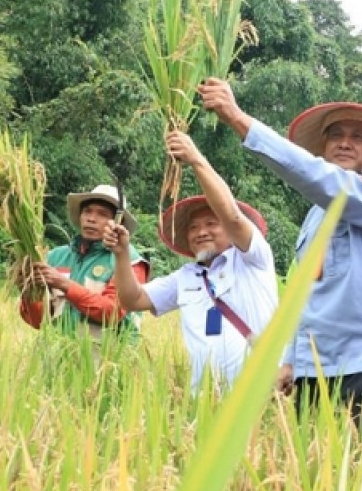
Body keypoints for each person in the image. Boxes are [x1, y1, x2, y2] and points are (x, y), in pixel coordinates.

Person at [195, 78, 362, 414]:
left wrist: (238, 119)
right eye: (336, 135)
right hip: (313, 371)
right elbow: (305, 295)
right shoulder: (314, 216)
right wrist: (291, 360)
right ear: (323, 145)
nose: (345, 143)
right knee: (310, 466)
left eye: (358, 136)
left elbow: (322, 180)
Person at [103, 132, 278, 392]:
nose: (201, 232)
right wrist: (121, 254)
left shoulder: (252, 259)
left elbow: (232, 217)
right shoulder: (185, 277)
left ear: (229, 231)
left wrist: (196, 160)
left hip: (262, 394)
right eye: (193, 227)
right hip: (207, 402)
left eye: (211, 223)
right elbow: (132, 300)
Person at [19, 184, 148, 347]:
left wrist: (64, 284)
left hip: (107, 361)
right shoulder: (55, 257)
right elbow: (39, 321)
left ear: (118, 222)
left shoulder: (129, 261)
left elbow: (113, 312)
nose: (91, 219)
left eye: (102, 214)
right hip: (57, 356)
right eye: (87, 211)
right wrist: (27, 289)